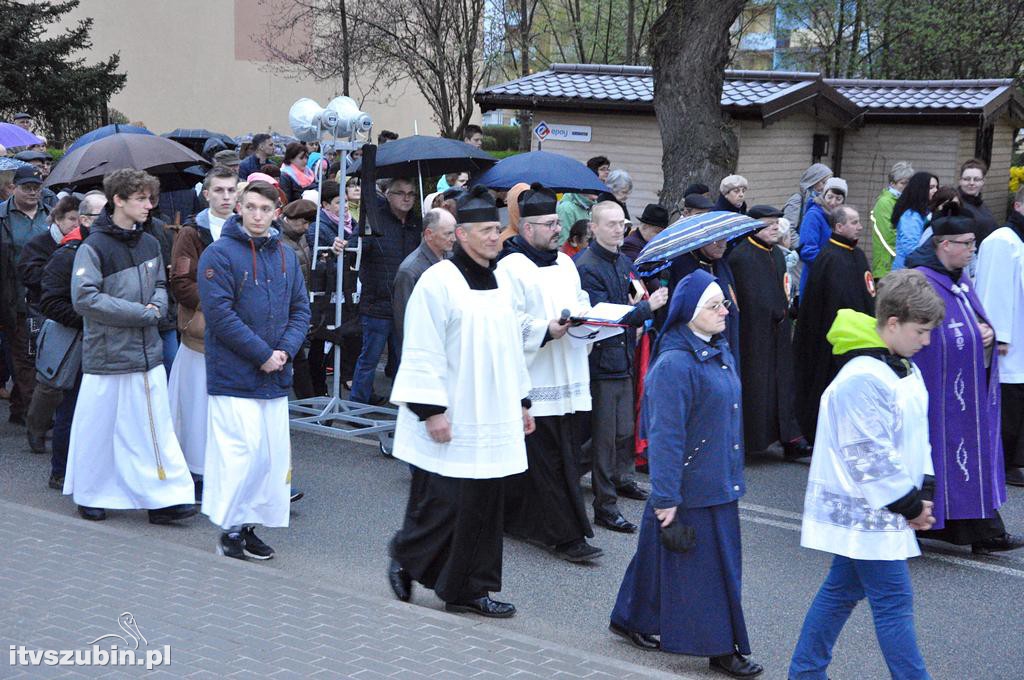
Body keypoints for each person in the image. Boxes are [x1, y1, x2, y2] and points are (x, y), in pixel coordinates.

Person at [789, 270, 944, 680]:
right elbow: (867, 453)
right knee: (893, 602)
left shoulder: (903, 367)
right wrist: (910, 504)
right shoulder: (863, 375)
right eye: (921, 331)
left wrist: (923, 489)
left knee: (841, 592)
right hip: (870, 506)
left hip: (885, 504)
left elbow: (916, 432)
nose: (926, 341)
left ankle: (804, 673)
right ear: (892, 324)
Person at [387, 187, 534, 618]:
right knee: (446, 505)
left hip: (494, 411)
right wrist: (430, 410)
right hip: (452, 412)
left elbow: (510, 347)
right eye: (487, 231)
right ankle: (405, 553)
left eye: (498, 230)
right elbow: (421, 348)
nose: (496, 238)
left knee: (486, 509)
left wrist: (522, 401)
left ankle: (470, 589)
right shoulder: (438, 282)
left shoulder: (502, 280)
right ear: (463, 235)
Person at [610, 269, 762, 679]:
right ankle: (722, 647)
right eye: (713, 305)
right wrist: (666, 497)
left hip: (718, 477)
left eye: (724, 303)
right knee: (715, 573)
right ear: (689, 313)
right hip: (694, 486)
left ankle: (631, 616)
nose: (723, 310)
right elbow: (664, 437)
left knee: (660, 548)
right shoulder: (674, 365)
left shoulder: (719, 349)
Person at [64, 169, 197, 524]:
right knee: (99, 430)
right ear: (118, 200)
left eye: (150, 198)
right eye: (140, 198)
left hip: (147, 353)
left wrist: (156, 307)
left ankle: (163, 498)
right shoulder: (93, 246)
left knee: (153, 429)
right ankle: (90, 494)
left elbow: (160, 284)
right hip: (107, 354)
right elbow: (85, 299)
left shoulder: (152, 242)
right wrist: (142, 313)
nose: (149, 205)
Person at [197, 181, 310, 560]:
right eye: (252, 207)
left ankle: (247, 526)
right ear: (240, 209)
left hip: (275, 376)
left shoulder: (286, 255)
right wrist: (262, 353)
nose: (258, 215)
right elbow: (220, 316)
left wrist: (285, 351)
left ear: (277, 212)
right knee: (240, 455)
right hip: (234, 376)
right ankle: (229, 529)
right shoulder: (219, 254)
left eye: (266, 209)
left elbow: (300, 310)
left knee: (268, 458)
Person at [905, 215, 1023, 555]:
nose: (973, 250)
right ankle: (917, 526)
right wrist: (975, 335)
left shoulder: (959, 278)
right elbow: (921, 334)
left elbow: (974, 320)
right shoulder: (920, 281)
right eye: (967, 244)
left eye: (973, 243)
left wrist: (986, 332)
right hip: (935, 391)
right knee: (935, 459)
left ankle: (983, 530)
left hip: (961, 392)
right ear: (944, 245)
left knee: (967, 460)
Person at [497, 184, 603, 557]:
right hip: (536, 380)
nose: (558, 229)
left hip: (569, 375)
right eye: (549, 224)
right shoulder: (510, 267)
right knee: (547, 464)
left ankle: (518, 521)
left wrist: (585, 318)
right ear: (527, 229)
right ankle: (566, 537)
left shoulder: (566, 263)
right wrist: (545, 329)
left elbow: (580, 299)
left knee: (560, 460)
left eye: (558, 222)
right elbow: (506, 319)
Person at [576, 200, 669, 535]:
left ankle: (574, 480)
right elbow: (604, 316)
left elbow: (631, 294)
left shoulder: (624, 260)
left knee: (622, 432)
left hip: (623, 358)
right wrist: (646, 309)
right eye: (612, 224)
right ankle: (605, 505)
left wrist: (639, 307)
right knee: (604, 438)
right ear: (594, 227)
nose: (619, 229)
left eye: (622, 223)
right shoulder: (586, 265)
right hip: (601, 361)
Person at [167, 165, 238, 488]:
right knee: (196, 410)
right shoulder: (192, 232)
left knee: (233, 412)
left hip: (240, 336)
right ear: (206, 193)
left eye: (231, 190)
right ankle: (194, 472)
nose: (225, 196)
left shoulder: (247, 228)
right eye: (219, 190)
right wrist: (220, 305)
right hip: (201, 334)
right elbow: (181, 282)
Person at [728, 205, 812, 460]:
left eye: (777, 223)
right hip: (754, 334)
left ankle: (788, 436)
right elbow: (746, 298)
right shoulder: (741, 256)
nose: (775, 227)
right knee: (756, 385)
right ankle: (752, 439)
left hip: (778, 329)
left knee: (782, 384)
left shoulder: (776, 254)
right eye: (769, 223)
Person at [793, 205, 875, 440]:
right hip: (833, 342)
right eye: (854, 222)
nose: (860, 227)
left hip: (861, 337)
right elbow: (822, 306)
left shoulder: (857, 254)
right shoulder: (828, 258)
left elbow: (868, 291)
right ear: (839, 227)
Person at [38, 195, 100, 491]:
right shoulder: (67, 254)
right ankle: (60, 470)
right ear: (85, 219)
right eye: (101, 215)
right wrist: (89, 319)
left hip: (106, 345)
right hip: (77, 343)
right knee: (71, 407)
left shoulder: (109, 249)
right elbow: (49, 302)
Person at [349, 178, 421, 405]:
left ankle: (404, 405)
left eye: (411, 193)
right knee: (369, 358)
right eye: (401, 192)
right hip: (377, 302)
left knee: (404, 359)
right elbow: (356, 250)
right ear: (388, 195)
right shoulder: (374, 218)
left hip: (406, 302)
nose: (407, 197)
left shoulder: (417, 223)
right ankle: (357, 404)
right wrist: (350, 245)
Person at [19, 195, 79, 453]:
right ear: (57, 218)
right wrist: (58, 269)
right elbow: (28, 274)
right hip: (45, 314)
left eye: (80, 218)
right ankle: (36, 427)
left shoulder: (85, 244)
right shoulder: (41, 243)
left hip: (76, 314)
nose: (75, 224)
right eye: (71, 219)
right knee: (50, 376)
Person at [976, 187, 1024, 488]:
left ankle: (1013, 459)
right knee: (1007, 403)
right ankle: (1001, 461)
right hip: (1008, 343)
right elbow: (994, 291)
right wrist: (1000, 336)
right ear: (1018, 206)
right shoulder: (1001, 241)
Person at [0, 165, 50, 426]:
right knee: (22, 355)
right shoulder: (2, 216)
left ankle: (19, 407)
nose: (32, 192)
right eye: (27, 187)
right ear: (14, 188)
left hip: (44, 295)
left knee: (37, 353)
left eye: (36, 188)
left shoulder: (49, 214)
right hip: (13, 296)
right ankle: (37, 417)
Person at [393, 207, 456, 355]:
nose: (454, 238)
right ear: (429, 234)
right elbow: (404, 322)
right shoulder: (410, 270)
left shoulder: (451, 258)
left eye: (454, 232)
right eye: (448, 233)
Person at [279, 199, 317, 400]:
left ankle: (306, 400)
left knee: (299, 355)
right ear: (290, 219)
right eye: (303, 222)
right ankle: (306, 401)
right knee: (297, 355)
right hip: (285, 305)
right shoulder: (280, 239)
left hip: (298, 301)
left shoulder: (300, 237)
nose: (306, 227)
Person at [797, 177, 846, 295]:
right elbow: (807, 251)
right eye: (830, 197)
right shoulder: (813, 216)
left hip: (833, 279)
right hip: (815, 279)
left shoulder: (840, 218)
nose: (833, 202)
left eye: (838, 199)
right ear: (823, 195)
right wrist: (833, 264)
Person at [870, 161, 914, 278]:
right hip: (886, 266)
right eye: (902, 183)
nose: (906, 187)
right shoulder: (885, 202)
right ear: (892, 183)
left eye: (909, 184)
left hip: (899, 265)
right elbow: (888, 235)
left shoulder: (904, 202)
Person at [892, 172, 939, 270]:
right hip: (906, 272)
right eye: (931, 187)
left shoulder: (925, 212)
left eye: (936, 187)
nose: (936, 190)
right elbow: (910, 248)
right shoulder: (911, 216)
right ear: (920, 190)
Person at [958, 158, 998, 242]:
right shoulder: (956, 204)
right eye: (967, 179)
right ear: (960, 181)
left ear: (983, 182)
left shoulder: (981, 204)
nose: (971, 183)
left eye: (976, 179)